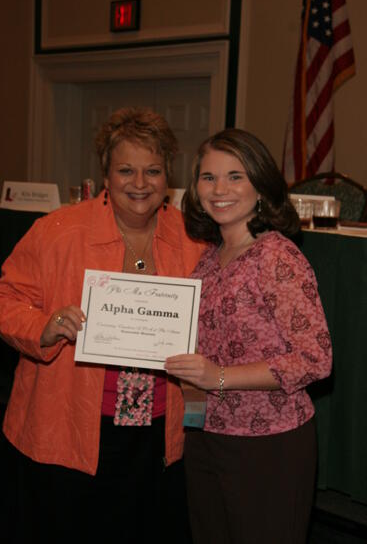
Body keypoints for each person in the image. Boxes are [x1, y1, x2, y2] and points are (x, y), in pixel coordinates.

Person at [0, 107, 205, 543]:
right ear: (105, 176)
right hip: (67, 426)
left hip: (155, 431)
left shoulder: (190, 237)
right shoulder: (55, 232)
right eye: (125, 169)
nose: (139, 183)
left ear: (167, 174)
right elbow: (7, 298)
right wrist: (46, 326)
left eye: (152, 170)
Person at [165, 128, 332, 544]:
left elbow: (315, 359)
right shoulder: (208, 257)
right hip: (206, 434)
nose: (219, 189)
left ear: (260, 185)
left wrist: (218, 376)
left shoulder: (277, 256)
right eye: (208, 177)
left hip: (269, 444)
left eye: (235, 176)